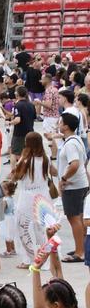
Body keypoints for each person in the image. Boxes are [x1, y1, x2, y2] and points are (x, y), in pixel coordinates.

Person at [11, 132, 55, 269]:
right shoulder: (45, 159)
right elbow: (54, 172)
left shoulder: (26, 160)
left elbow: (16, 176)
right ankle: (45, 258)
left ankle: (29, 258)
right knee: (41, 228)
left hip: (27, 197)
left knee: (22, 227)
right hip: (43, 196)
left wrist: (16, 162)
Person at [57, 112, 89, 263]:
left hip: (73, 186)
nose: (58, 124)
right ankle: (81, 247)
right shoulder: (75, 140)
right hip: (80, 183)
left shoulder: (70, 144)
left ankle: (80, 252)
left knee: (74, 218)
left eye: (60, 122)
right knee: (79, 218)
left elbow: (74, 164)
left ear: (66, 126)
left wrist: (64, 178)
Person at [7, 86, 36, 165]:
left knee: (14, 153)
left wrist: (9, 122)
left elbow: (17, 120)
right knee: (27, 152)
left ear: (17, 94)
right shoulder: (31, 105)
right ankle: (25, 169)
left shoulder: (18, 105)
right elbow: (33, 118)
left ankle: (14, 171)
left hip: (19, 133)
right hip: (30, 131)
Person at [36, 73, 62, 161]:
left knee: (51, 136)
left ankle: (54, 155)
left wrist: (39, 102)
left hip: (50, 117)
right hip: (54, 116)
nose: (40, 81)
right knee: (51, 135)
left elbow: (48, 105)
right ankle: (54, 154)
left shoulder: (49, 91)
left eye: (42, 79)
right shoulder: (54, 89)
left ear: (47, 80)